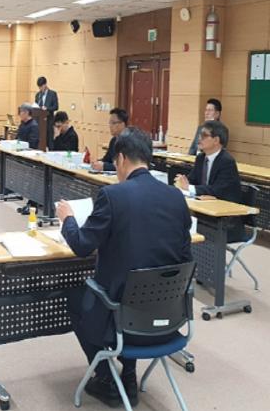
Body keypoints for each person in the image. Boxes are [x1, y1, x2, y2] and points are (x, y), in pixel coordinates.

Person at [56, 127, 192, 408]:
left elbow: (81, 246)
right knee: (135, 288)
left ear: (120, 159)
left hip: (123, 320)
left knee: (76, 297)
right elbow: (185, 257)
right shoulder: (176, 197)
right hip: (169, 319)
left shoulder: (112, 195)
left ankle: (106, 377)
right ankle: (128, 375)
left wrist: (67, 219)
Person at [175, 120, 243, 242]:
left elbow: (216, 190)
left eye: (204, 135)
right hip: (206, 215)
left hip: (226, 220)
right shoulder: (201, 158)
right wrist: (182, 181)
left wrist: (189, 187)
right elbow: (192, 179)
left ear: (216, 140)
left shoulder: (227, 161)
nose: (199, 138)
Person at [35, 76, 59, 150]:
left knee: (50, 141)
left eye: (41, 86)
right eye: (39, 87)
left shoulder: (52, 94)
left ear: (45, 84)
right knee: (40, 142)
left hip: (49, 121)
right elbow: (36, 106)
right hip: (40, 122)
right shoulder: (38, 95)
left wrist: (47, 108)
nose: (40, 89)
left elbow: (56, 107)